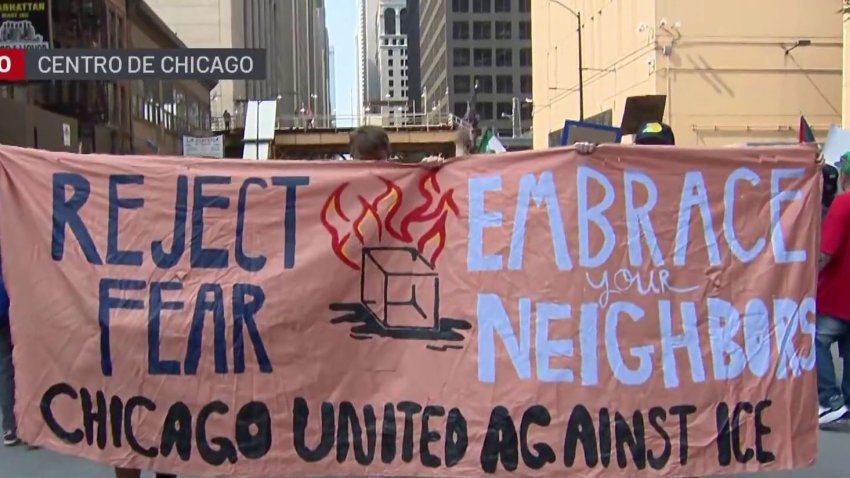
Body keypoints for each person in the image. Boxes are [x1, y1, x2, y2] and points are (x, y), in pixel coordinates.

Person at [815, 157, 850, 426]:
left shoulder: (843, 203)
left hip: (838, 295)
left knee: (816, 340)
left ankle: (829, 400)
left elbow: (826, 251)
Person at [349, 125, 445, 167]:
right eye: (364, 160)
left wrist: (430, 171)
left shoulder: (404, 181)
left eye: (378, 160)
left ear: (388, 156)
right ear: (352, 157)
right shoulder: (340, 182)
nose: (371, 166)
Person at [574, 121, 676, 154]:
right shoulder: (623, 177)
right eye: (645, 147)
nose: (651, 151)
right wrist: (584, 158)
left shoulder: (685, 178)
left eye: (659, 146)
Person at [0, 260, 16, 446]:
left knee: (5, 368)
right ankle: (31, 422)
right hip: (13, 305)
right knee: (29, 363)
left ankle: (9, 426)